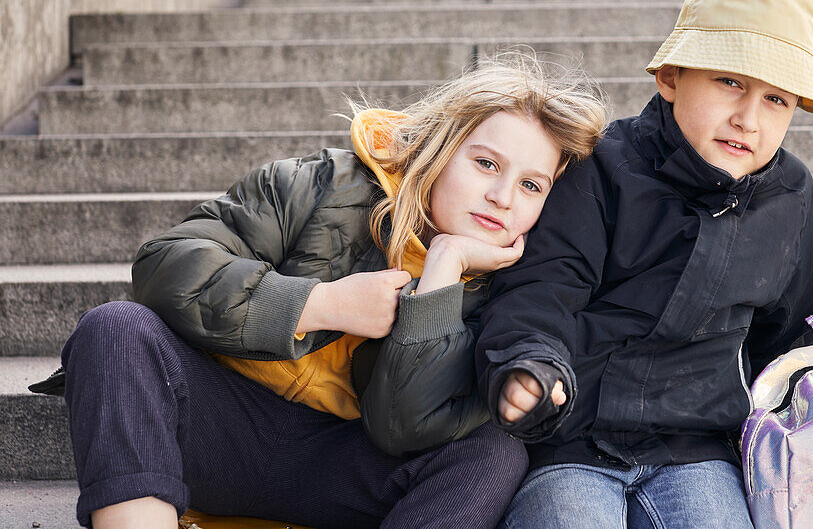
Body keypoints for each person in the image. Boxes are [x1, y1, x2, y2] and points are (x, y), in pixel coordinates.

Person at [48, 53, 608, 529]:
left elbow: (403, 428)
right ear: (442, 146)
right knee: (114, 328)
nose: (502, 197)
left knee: (494, 454)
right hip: (219, 423)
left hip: (345, 464)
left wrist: (442, 272)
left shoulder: (518, 287)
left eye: (531, 185)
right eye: (487, 163)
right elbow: (166, 266)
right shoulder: (318, 185)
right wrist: (322, 304)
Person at [475, 0, 813, 528]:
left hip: (696, 447)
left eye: (777, 101)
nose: (747, 118)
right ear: (670, 76)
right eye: (731, 82)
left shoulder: (789, 197)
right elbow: (542, 287)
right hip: (573, 437)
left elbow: (792, 338)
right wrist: (529, 363)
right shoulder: (605, 166)